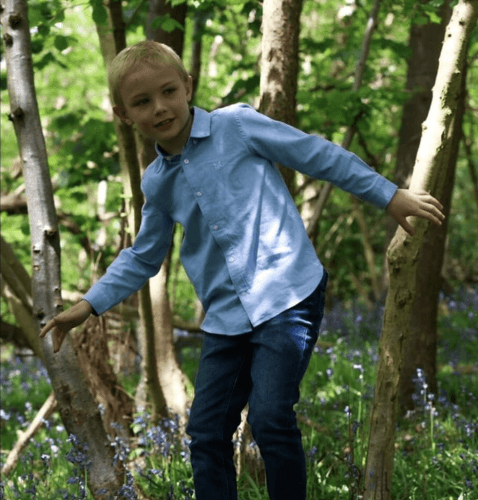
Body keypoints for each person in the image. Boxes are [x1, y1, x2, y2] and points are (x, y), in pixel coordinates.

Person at [40, 41, 445, 500]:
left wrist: (389, 195)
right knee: (206, 432)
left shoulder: (236, 125)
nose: (160, 107)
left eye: (168, 91)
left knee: (270, 417)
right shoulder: (157, 180)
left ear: (188, 86)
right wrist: (88, 304)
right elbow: (143, 256)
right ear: (123, 114)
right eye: (142, 101)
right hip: (226, 318)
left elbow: (317, 154)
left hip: (287, 294)